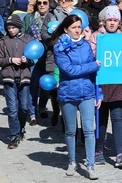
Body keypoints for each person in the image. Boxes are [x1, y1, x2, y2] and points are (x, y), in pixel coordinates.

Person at [52, 14, 102, 180]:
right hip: (68, 93)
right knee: (71, 130)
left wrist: (98, 93)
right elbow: (70, 71)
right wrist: (92, 65)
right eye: (73, 27)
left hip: (87, 92)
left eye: (79, 27)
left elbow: (95, 74)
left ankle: (90, 164)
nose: (77, 30)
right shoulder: (59, 47)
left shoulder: (86, 45)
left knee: (89, 130)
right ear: (66, 29)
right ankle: (72, 161)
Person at [88, 6, 122, 168]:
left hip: (118, 85)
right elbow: (90, 55)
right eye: (109, 20)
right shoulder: (96, 36)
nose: (112, 23)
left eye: (115, 20)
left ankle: (119, 153)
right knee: (101, 120)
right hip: (100, 86)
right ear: (104, 21)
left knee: (117, 118)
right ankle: (98, 151)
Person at [0, 14, 34, 149]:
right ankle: (14, 136)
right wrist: (11, 60)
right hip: (9, 78)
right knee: (12, 109)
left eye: (13, 27)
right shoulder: (4, 41)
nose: (11, 30)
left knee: (23, 107)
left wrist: (27, 60)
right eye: (9, 27)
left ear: (19, 27)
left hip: (24, 77)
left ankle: (21, 127)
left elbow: (34, 58)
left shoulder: (27, 40)